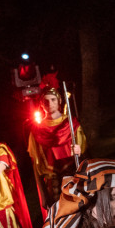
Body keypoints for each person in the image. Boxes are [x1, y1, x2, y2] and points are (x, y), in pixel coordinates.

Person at [27, 74, 85, 214]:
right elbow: (37, 164)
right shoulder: (36, 131)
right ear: (41, 104)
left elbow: (85, 152)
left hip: (73, 174)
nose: (50, 103)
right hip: (52, 181)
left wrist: (79, 151)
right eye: (46, 101)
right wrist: (42, 193)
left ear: (59, 101)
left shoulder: (71, 123)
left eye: (53, 99)